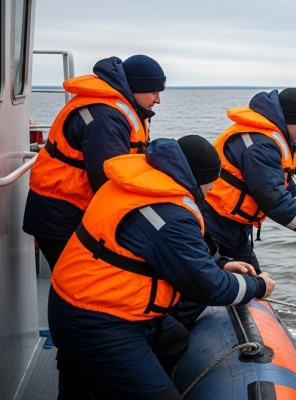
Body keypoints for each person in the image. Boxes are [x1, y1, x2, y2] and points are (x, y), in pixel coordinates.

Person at [49, 136, 275, 400]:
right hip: (98, 320)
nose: (212, 187)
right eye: (209, 181)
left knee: (173, 340)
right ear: (194, 179)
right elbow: (207, 286)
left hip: (82, 300)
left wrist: (221, 263)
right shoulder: (167, 215)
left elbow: (161, 249)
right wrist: (258, 286)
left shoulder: (142, 187)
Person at [24, 55, 165, 270]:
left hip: (69, 210)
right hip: (61, 216)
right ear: (136, 88)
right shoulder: (105, 119)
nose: (158, 100)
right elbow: (107, 181)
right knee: (76, 283)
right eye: (154, 93)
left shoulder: (118, 110)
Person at [203, 88, 296, 275]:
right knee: (233, 282)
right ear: (286, 120)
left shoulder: (270, 139)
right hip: (213, 224)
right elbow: (274, 201)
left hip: (236, 227)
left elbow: (286, 186)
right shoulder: (260, 145)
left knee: (253, 280)